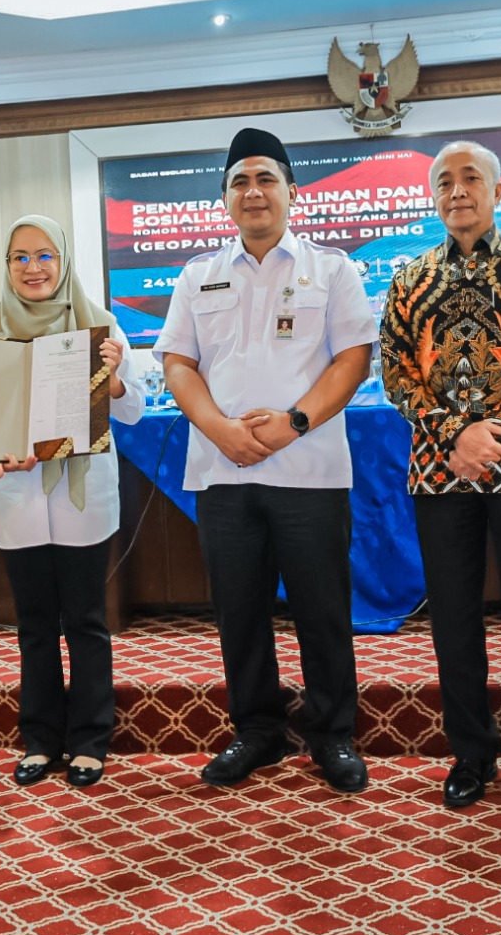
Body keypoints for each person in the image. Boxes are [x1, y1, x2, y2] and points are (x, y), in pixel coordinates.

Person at [154, 127, 377, 792]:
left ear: (291, 193)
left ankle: (333, 735)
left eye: (266, 180)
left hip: (307, 472)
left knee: (322, 610)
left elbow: (354, 358)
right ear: (224, 200)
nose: (253, 193)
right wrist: (219, 428)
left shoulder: (332, 269)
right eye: (240, 182)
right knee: (239, 611)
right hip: (224, 472)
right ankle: (256, 732)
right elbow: (178, 362)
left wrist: (294, 423)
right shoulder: (198, 275)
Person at [379, 140, 501, 812]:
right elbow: (395, 373)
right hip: (439, 471)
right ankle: (471, 755)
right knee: (453, 618)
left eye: (470, 180)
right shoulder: (409, 278)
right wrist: (454, 434)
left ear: (499, 191)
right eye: (443, 182)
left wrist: (493, 434)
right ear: (433, 198)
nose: (456, 192)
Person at [0, 215, 143, 789]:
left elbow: (134, 410)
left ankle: (91, 739)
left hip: (81, 499)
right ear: (7, 266)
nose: (32, 268)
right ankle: (41, 739)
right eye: (19, 257)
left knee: (87, 622)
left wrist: (116, 379)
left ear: (64, 261)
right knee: (35, 626)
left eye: (44, 255)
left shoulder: (101, 325)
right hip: (17, 498)